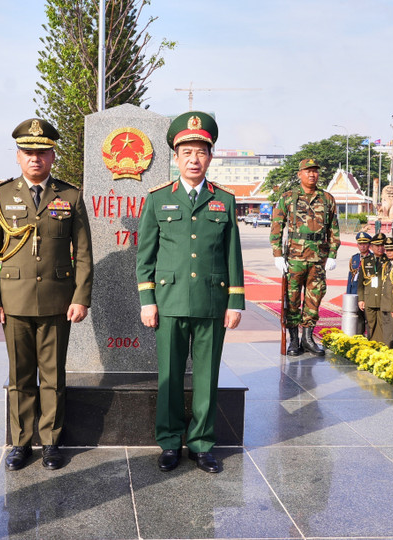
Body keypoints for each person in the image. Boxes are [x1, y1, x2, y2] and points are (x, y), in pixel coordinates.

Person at [0, 118, 93, 471]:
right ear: (17, 156)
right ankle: (20, 442)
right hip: (14, 300)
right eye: (28, 152)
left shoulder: (70, 196)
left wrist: (81, 297)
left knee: (53, 375)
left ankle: (51, 441)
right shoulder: (0, 196)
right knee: (20, 376)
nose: (35, 158)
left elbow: (84, 254)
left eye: (42, 152)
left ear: (52, 156)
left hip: (58, 301)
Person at [137, 111, 243, 474]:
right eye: (186, 152)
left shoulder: (224, 200)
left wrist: (235, 303)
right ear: (176, 157)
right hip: (168, 303)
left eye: (200, 152)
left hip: (212, 301)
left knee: (207, 377)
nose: (193, 159)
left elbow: (232, 255)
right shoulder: (157, 199)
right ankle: (169, 442)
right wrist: (148, 301)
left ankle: (201, 444)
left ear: (210, 157)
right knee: (169, 377)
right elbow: (145, 256)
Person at [271, 158, 340, 355]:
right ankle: (294, 340)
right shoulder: (288, 198)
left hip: (318, 258)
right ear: (299, 174)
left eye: (315, 171)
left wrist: (333, 254)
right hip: (294, 258)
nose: (312, 174)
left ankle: (308, 339)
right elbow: (276, 227)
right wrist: (277, 255)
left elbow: (334, 229)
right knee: (292, 299)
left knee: (314, 297)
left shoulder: (327, 199)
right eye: (308, 171)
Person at [357, 233, 386, 343]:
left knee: (383, 326)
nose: (380, 248)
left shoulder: (388, 261)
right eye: (377, 246)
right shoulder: (366, 261)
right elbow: (360, 283)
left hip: (383, 299)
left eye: (382, 245)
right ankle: (371, 345)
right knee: (370, 324)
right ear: (372, 247)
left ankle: (382, 347)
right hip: (369, 298)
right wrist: (361, 299)